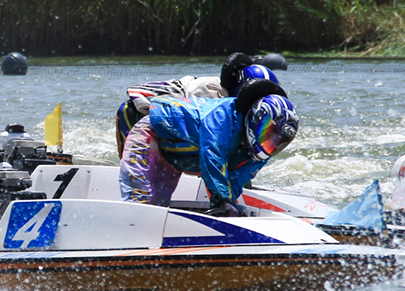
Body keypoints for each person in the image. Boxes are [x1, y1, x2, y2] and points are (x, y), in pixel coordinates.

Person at [118, 78, 298, 216]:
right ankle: (126, 234)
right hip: (150, 134)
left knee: (158, 207)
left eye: (279, 142)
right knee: (141, 201)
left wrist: (228, 208)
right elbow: (212, 156)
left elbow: (234, 179)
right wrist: (221, 200)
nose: (272, 144)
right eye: (269, 133)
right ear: (256, 118)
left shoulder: (258, 154)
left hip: (175, 156)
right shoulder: (223, 116)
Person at [115, 52, 280, 157]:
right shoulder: (212, 96)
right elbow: (209, 144)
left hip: (163, 119)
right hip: (136, 114)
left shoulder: (230, 99)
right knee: (139, 170)